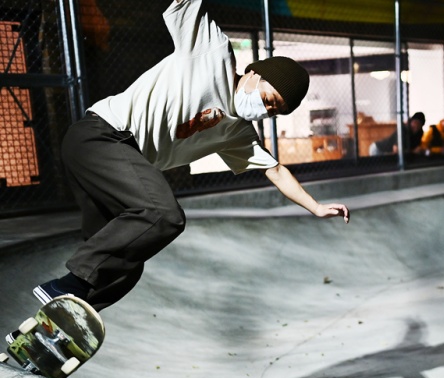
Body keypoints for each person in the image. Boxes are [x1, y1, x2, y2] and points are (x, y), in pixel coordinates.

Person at [29, 0, 349, 313]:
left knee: (125, 264)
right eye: (268, 99)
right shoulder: (211, 53)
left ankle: (60, 322)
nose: (265, 110)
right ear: (253, 74)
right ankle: (69, 286)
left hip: (115, 164)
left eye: (273, 111)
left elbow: (275, 170)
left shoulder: (237, 132)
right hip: (101, 136)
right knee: (163, 214)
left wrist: (316, 207)